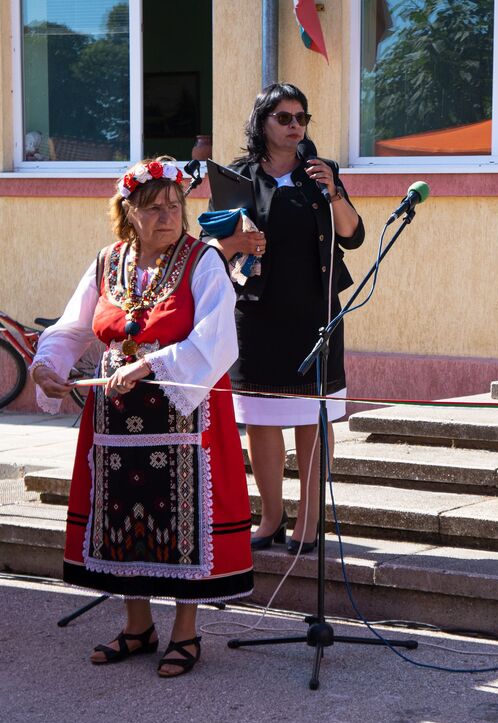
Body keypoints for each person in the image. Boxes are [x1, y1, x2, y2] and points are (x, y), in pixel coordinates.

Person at [31, 158, 254, 677]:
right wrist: (48, 366)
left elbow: (218, 336)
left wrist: (150, 364)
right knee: (124, 513)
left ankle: (185, 633)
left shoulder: (203, 261)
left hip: (184, 412)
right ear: (128, 211)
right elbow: (73, 326)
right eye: (153, 207)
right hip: (115, 417)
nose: (167, 216)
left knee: (183, 516)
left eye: (175, 206)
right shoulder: (108, 261)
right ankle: (137, 628)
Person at [208, 82, 364, 554]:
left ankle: (309, 524)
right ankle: (271, 518)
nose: (295, 126)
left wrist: (333, 192)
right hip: (257, 314)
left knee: (312, 418)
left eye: (302, 118)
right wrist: (240, 244)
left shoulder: (322, 174)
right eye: (285, 118)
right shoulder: (238, 177)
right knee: (262, 418)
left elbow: (353, 235)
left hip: (315, 315)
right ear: (263, 123)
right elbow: (215, 247)